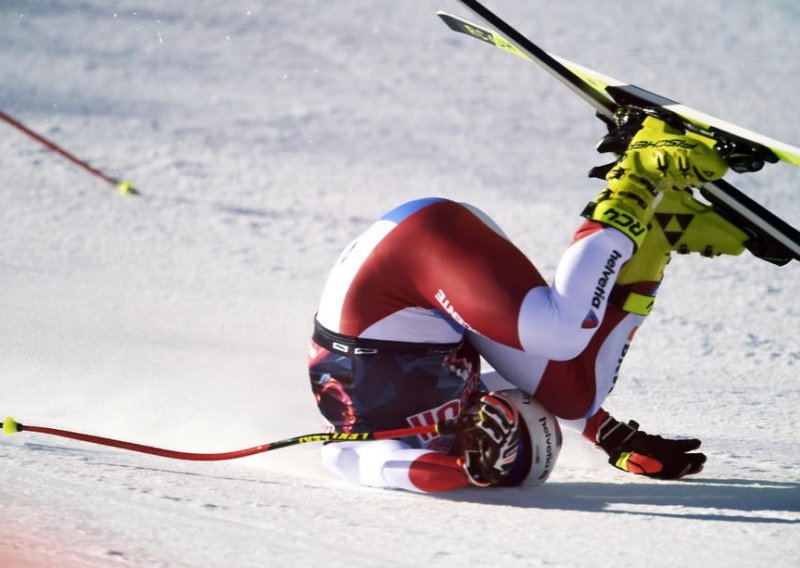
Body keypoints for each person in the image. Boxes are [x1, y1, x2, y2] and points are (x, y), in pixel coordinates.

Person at [308, 116, 744, 493]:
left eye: (503, 456)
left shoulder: (355, 444)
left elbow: (387, 469)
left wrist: (465, 470)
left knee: (558, 332)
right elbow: (556, 398)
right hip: (437, 295)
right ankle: (658, 229)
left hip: (404, 264)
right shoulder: (469, 406)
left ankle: (640, 172)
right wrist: (616, 441)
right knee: (577, 396)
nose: (498, 443)